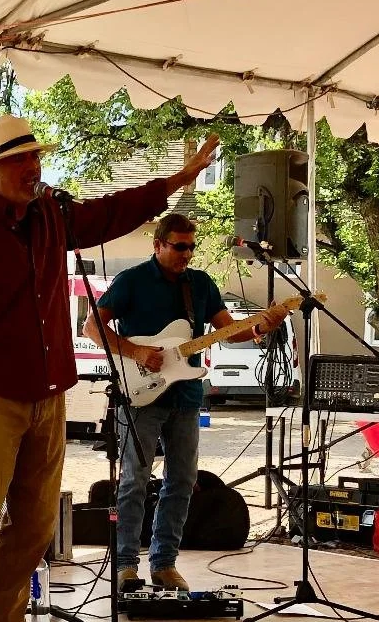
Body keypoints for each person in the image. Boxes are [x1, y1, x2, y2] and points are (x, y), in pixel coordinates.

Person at [0, 113, 221, 622]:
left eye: (36, 157)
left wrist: (177, 180)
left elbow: (113, 211)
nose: (34, 167)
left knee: (36, 522)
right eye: (21, 159)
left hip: (49, 392)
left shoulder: (53, 216)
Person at [84, 212, 288, 593]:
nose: (187, 254)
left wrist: (260, 325)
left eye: (191, 247)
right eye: (179, 246)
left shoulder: (200, 284)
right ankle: (126, 564)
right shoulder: (132, 281)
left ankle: (164, 562)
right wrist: (136, 352)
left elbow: (228, 331)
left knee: (182, 481)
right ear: (158, 245)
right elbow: (92, 326)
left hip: (186, 396)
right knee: (134, 481)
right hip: (140, 396)